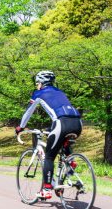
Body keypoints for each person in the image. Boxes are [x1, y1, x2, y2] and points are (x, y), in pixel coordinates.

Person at [15, 71, 82, 199]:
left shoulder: (38, 93)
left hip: (61, 123)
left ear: (41, 83)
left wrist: (20, 127)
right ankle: (70, 163)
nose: (37, 86)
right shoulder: (60, 92)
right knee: (62, 143)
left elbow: (28, 112)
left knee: (49, 157)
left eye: (37, 83)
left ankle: (46, 189)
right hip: (78, 123)